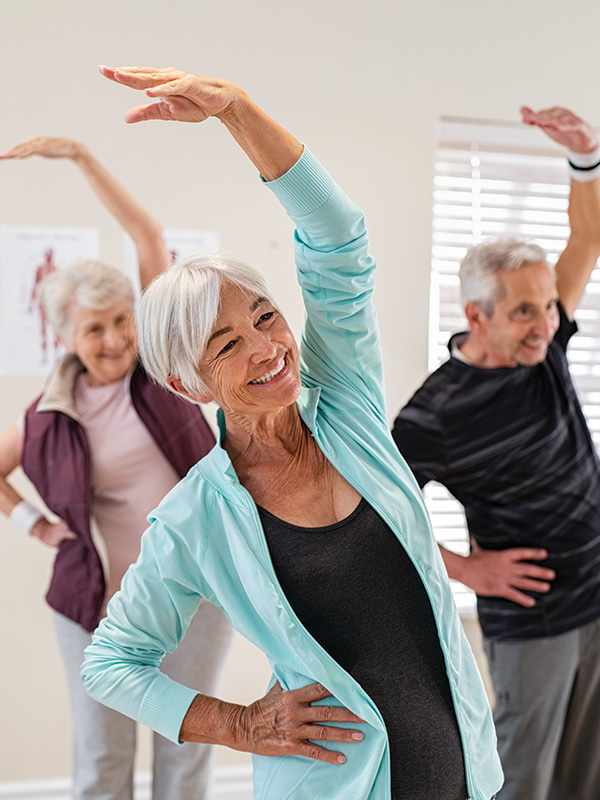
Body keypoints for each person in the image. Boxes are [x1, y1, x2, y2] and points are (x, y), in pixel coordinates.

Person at [82, 65, 503, 800]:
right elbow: (111, 663)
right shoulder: (196, 516)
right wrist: (239, 726)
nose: (266, 347)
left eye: (265, 316)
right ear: (187, 384)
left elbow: (337, 235)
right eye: (224, 344)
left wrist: (236, 110)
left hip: (460, 765)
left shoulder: (347, 406)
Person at [0, 137, 233, 800]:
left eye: (122, 322)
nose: (113, 341)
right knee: (101, 757)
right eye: (94, 329)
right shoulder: (46, 417)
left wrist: (80, 157)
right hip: (95, 607)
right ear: (66, 338)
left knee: (185, 749)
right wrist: (31, 525)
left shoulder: (161, 373)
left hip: (194, 595)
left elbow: (148, 234)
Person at [392, 106, 600, 800]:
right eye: (524, 312)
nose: (546, 323)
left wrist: (583, 157)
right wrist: (466, 571)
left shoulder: (544, 344)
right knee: (524, 779)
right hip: (535, 619)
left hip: (597, 590)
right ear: (475, 316)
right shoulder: (433, 414)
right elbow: (378, 518)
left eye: (547, 307)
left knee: (587, 773)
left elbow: (587, 237)